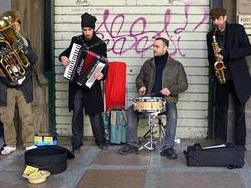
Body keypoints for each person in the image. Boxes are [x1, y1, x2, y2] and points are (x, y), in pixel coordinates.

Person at [118, 37, 188, 159]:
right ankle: (131, 143)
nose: (154, 48)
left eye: (157, 46)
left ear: (165, 48)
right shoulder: (148, 64)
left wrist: (170, 90)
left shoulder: (177, 65)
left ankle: (168, 147)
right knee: (131, 110)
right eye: (153, 46)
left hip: (167, 100)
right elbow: (139, 78)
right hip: (149, 98)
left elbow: (184, 85)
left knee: (172, 113)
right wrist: (141, 86)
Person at [59, 12, 108, 153]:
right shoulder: (76, 41)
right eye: (84, 30)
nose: (86, 33)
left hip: (92, 85)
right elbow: (65, 54)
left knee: (95, 114)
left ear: (94, 29)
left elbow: (105, 65)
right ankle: (76, 143)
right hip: (76, 85)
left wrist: (101, 75)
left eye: (89, 30)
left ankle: (101, 140)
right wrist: (63, 58)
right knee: (77, 113)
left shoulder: (100, 44)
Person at [0, 19, 38, 155]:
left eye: (15, 25)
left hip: (24, 84)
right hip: (6, 85)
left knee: (27, 116)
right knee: (7, 118)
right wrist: (0, 56)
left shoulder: (25, 41)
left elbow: (34, 59)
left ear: (19, 27)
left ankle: (29, 143)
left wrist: (24, 49)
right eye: (10, 26)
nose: (13, 28)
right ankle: (10, 144)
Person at [206, 7, 251, 149]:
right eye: (213, 19)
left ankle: (240, 143)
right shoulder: (211, 36)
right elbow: (210, 57)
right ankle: (219, 142)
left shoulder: (237, 29)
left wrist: (226, 54)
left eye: (218, 19)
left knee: (240, 110)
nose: (216, 22)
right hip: (222, 78)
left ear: (225, 18)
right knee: (220, 110)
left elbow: (248, 49)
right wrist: (215, 68)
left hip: (238, 77)